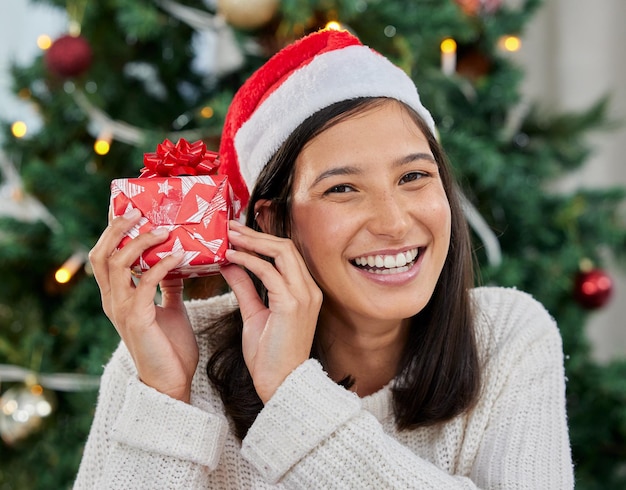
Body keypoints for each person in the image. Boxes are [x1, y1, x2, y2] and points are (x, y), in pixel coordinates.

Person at [75, 29, 574, 489]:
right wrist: (165, 398)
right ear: (271, 222)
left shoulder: (507, 336)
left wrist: (293, 396)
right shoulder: (168, 353)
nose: (395, 223)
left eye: (414, 177)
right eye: (342, 188)